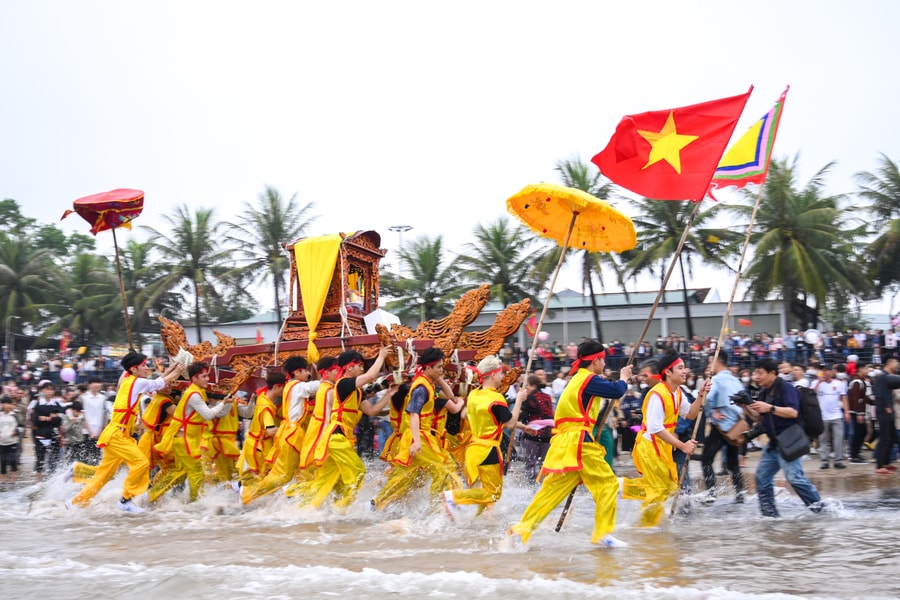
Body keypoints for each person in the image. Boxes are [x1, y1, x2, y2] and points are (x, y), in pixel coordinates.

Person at [508, 339, 632, 548]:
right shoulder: (588, 378)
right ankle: (603, 534)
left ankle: (522, 530)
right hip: (578, 441)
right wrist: (624, 378)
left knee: (551, 491)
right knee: (608, 484)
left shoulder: (575, 379)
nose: (604, 365)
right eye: (603, 360)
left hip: (565, 442)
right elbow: (617, 391)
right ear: (596, 361)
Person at [69, 351, 184, 513]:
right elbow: (158, 383)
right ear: (134, 369)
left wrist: (172, 369)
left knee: (104, 475)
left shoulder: (127, 380)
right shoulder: (136, 382)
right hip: (118, 435)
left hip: (118, 433)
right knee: (141, 464)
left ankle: (74, 503)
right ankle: (126, 500)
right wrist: (177, 371)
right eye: (144, 365)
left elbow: (157, 382)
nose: (147, 368)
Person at [299, 346, 391, 509]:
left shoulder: (353, 390)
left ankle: (303, 510)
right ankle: (342, 509)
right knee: (358, 473)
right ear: (349, 367)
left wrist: (390, 391)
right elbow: (370, 376)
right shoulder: (343, 384)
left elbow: (371, 409)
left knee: (327, 480)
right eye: (359, 365)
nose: (362, 369)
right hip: (337, 436)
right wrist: (381, 356)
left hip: (339, 438)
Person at [372, 347, 463, 510]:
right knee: (443, 468)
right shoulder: (421, 388)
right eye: (439, 367)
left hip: (420, 436)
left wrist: (439, 377)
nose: (442, 370)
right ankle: (438, 508)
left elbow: (450, 396)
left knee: (404, 476)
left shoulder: (429, 385)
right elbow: (413, 414)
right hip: (419, 436)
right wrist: (416, 441)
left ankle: (375, 504)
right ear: (428, 368)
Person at [622, 349, 704, 528]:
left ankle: (623, 490)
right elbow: (655, 427)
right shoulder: (657, 394)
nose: (685, 371)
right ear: (668, 372)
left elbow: (690, 414)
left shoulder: (678, 391)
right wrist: (682, 446)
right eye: (680, 368)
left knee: (668, 488)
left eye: (684, 367)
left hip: (663, 446)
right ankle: (646, 528)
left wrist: (700, 396)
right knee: (658, 491)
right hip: (649, 447)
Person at [443, 355, 525, 519]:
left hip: (473, 449)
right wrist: (519, 401)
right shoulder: (496, 398)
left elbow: (466, 414)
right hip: (489, 451)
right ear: (493, 374)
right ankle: (454, 497)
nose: (502, 377)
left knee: (483, 489)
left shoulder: (473, 395)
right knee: (493, 494)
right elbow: (510, 423)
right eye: (501, 373)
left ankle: (478, 520)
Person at [150, 362, 235, 503]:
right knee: (197, 472)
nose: (208, 379)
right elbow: (208, 415)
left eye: (207, 375)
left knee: (181, 474)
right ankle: (196, 503)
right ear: (194, 379)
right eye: (204, 376)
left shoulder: (196, 392)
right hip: (185, 442)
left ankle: (152, 495)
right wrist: (223, 403)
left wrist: (227, 402)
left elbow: (217, 413)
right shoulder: (194, 395)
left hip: (187, 440)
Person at [749, 358, 822, 517]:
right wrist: (744, 406)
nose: (757, 377)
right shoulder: (765, 391)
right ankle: (770, 515)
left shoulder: (785, 387)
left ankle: (820, 509)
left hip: (789, 441)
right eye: (756, 373)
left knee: (795, 479)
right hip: (773, 444)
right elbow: (757, 418)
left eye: (760, 373)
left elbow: (793, 412)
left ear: (772, 373)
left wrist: (771, 408)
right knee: (762, 477)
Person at [242, 357, 320, 504]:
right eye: (306, 371)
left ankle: (294, 497)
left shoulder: (291, 386)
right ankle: (247, 493)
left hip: (289, 432)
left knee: (296, 470)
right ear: (297, 372)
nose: (308, 375)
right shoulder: (297, 386)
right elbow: (320, 386)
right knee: (282, 475)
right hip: (288, 434)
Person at [700, 353, 746, 503]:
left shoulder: (716, 380)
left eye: (710, 363)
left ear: (716, 362)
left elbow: (707, 398)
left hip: (721, 427)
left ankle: (711, 493)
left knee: (706, 459)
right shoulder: (736, 380)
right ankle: (740, 494)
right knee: (733, 464)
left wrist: (710, 411)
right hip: (736, 426)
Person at [237, 373, 286, 489]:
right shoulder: (266, 407)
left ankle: (238, 491)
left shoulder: (262, 397)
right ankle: (244, 498)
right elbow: (270, 431)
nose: (284, 391)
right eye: (283, 388)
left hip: (256, 444)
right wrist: (287, 427)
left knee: (256, 477)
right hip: (258, 447)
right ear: (277, 387)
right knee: (259, 479)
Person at [517, 373, 554, 483]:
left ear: (533, 386)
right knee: (545, 462)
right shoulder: (547, 397)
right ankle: (546, 482)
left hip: (534, 433)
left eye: (527, 385)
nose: (526, 388)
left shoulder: (530, 397)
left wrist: (516, 412)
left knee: (531, 462)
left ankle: (531, 483)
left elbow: (525, 415)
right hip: (549, 434)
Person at [812, 364, 848, 469]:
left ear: (832, 372)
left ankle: (838, 460)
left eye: (827, 370)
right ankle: (824, 461)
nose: (825, 372)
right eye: (823, 370)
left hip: (836, 415)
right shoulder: (816, 383)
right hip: (822, 416)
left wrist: (846, 412)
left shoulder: (838, 383)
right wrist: (819, 381)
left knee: (839, 438)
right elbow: (811, 393)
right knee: (823, 439)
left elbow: (844, 398)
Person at [873, 356, 900, 474]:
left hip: (889, 411)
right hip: (885, 411)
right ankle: (880, 466)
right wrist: (886, 407)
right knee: (884, 438)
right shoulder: (882, 377)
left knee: (892, 437)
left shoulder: (889, 378)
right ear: (889, 363)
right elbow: (878, 394)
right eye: (896, 362)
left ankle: (886, 462)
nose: (897, 365)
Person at [31, 381, 63, 479]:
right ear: (42, 390)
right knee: (40, 458)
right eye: (47, 389)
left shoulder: (56, 404)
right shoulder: (38, 404)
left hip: (53, 434)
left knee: (54, 458)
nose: (49, 392)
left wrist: (45, 418)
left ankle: (53, 478)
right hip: (40, 434)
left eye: (51, 389)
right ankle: (38, 480)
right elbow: (36, 420)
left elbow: (59, 419)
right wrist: (51, 417)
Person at [846, 364, 873, 464]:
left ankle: (856, 452)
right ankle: (854, 456)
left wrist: (872, 401)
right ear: (860, 369)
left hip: (858, 411)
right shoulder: (857, 382)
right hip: (857, 412)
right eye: (866, 368)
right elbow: (856, 399)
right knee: (859, 432)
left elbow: (863, 398)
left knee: (862, 432)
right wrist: (859, 413)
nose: (867, 370)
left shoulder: (861, 382)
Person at [78, 377, 107, 465]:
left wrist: (101, 431)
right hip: (86, 431)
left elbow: (104, 415)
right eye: (95, 382)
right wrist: (90, 432)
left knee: (97, 457)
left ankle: (94, 477)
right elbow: (82, 415)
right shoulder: (83, 397)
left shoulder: (103, 398)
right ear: (89, 385)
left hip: (99, 432)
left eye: (99, 383)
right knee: (84, 456)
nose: (97, 385)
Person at [0, 397, 21, 484]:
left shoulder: (14, 415)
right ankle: (3, 479)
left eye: (10, 404)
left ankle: (13, 479)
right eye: (6, 403)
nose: (8, 405)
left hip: (12, 441)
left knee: (13, 460)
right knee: (3, 461)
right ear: (2, 404)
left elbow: (20, 427)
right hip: (1, 442)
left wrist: (15, 432)